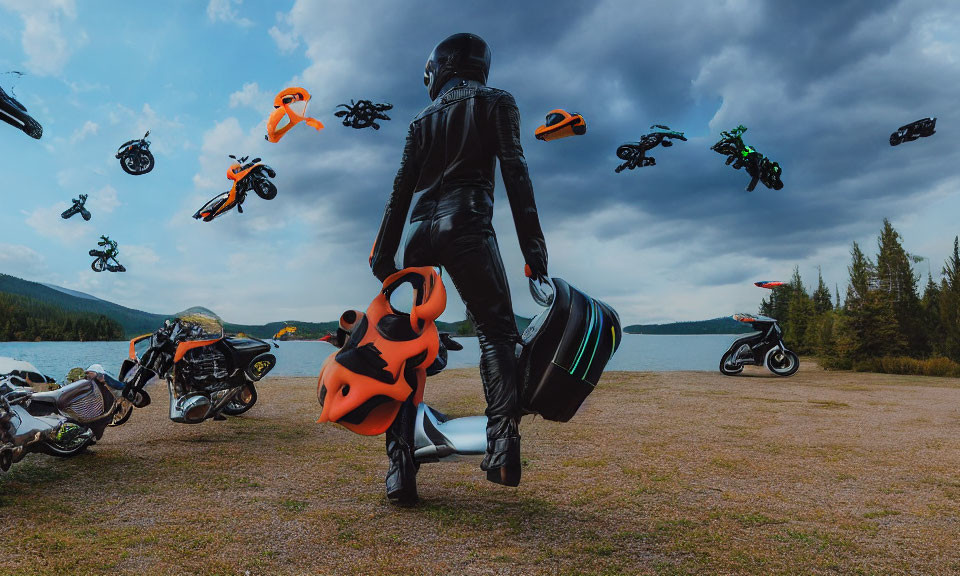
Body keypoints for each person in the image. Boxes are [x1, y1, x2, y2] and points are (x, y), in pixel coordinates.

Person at [369, 32, 548, 504]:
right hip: (466, 223)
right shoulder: (496, 101)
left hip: (417, 235)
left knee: (408, 349)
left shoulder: (420, 120)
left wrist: (383, 257)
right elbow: (517, 174)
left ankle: (400, 468)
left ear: (442, 65)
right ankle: (503, 445)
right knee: (496, 332)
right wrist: (535, 254)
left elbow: (400, 192)